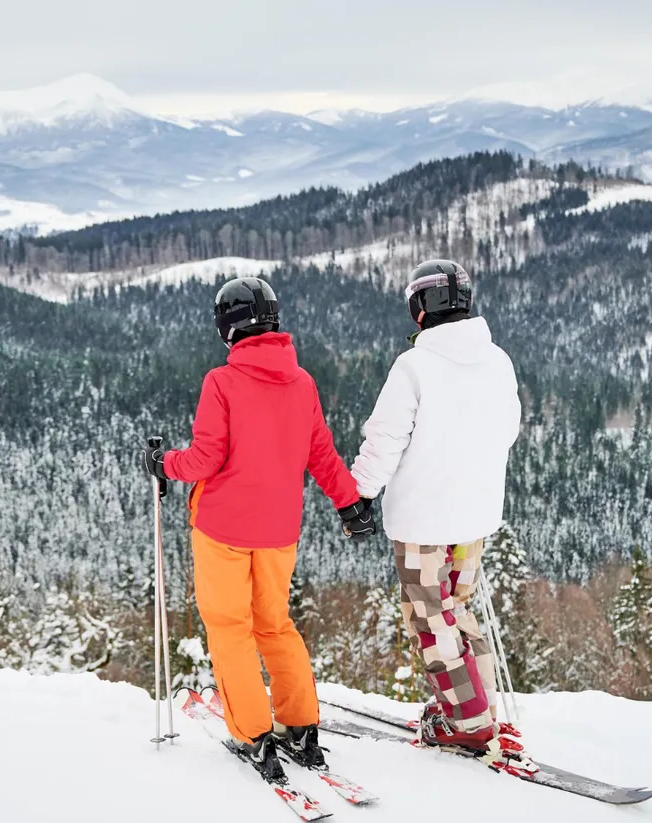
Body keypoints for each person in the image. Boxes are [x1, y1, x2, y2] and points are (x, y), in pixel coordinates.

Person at [144, 276, 374, 780]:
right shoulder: (302, 382)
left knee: (230, 630)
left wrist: (164, 463)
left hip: (223, 530)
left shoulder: (222, 382)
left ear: (227, 327)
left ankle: (253, 734)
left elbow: (205, 459)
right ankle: (301, 726)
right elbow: (322, 456)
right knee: (274, 624)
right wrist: (349, 503)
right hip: (279, 533)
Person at [350, 259, 526, 767]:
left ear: (421, 308)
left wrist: (360, 493)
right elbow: (508, 429)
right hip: (475, 516)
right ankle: (478, 703)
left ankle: (467, 722)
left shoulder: (414, 368)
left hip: (422, 521)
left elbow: (385, 439)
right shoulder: (499, 362)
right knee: (459, 610)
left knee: (430, 618)